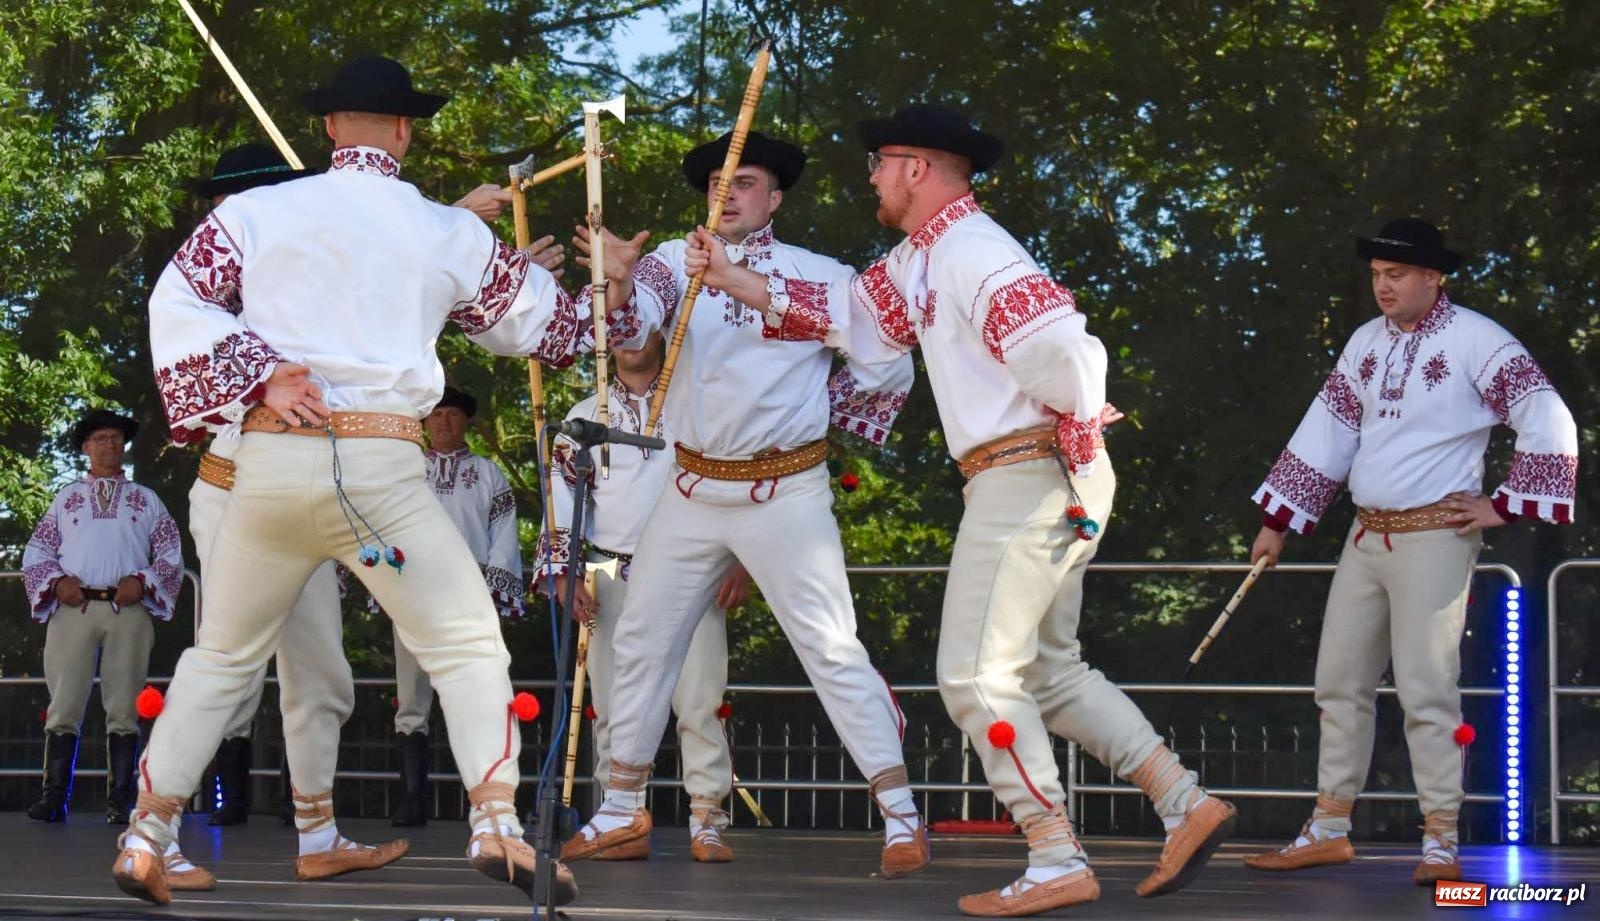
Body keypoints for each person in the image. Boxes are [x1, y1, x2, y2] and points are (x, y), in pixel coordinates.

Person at [124, 55, 585, 906]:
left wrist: (260, 374)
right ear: (405, 129)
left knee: (220, 656)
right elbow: (550, 329)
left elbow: (176, 296)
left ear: (329, 128)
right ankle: (495, 823)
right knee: (465, 641)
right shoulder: (441, 230)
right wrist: (617, 293)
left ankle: (146, 835)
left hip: (264, 464)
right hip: (379, 473)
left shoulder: (260, 212)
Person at [850, 104, 1236, 916]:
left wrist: (1077, 413)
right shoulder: (924, 255)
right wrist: (731, 275)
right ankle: (1183, 800)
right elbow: (845, 312)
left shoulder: (971, 249)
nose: (873, 176)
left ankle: (1054, 851)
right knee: (1046, 671)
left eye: (882, 161)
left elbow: (1063, 348)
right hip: (1036, 472)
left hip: (1026, 471)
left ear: (918, 167)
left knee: (974, 674)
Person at [562, 130, 926, 878]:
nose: (728, 193)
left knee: (831, 646)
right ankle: (619, 808)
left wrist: (825, 393)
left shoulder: (820, 273)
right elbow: (630, 341)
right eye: (719, 182)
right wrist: (621, 285)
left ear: (776, 196)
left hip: (784, 489)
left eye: (747, 181)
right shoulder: (670, 260)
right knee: (640, 643)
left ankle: (901, 816)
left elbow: (883, 354)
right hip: (692, 488)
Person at [1242, 217, 1578, 885]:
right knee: (1338, 683)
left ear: (1433, 275)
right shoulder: (1366, 341)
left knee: (1427, 690)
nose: (1383, 287)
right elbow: (1328, 431)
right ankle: (1329, 827)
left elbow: (1550, 416)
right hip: (1366, 536)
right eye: (1376, 276)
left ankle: (1440, 842)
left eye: (1396, 275)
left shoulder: (1479, 341)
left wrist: (1503, 504)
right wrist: (1277, 519)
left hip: (1435, 539)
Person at [176, 142, 409, 887]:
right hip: (239, 491)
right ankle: (152, 833)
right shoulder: (213, 294)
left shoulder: (302, 274)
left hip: (296, 494)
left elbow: (377, 267)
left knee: (319, 672)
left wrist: (447, 223)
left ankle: (316, 834)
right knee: (229, 675)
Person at [535, 331, 749, 862]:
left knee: (700, 697)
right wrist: (563, 572)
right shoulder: (580, 420)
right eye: (619, 330)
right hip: (609, 569)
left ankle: (707, 818)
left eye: (640, 326)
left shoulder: (698, 407)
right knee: (610, 702)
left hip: (692, 568)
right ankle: (621, 817)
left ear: (661, 331)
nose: (630, 339)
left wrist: (741, 556)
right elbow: (561, 500)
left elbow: (737, 478)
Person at [21, 410, 183, 830]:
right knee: (64, 705)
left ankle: (120, 802)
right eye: (100, 438)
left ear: (123, 446)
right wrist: (57, 583)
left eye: (115, 438)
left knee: (125, 707)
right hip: (74, 609)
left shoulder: (146, 500)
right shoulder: (66, 499)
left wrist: (143, 580)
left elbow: (170, 555)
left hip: (127, 610)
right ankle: (54, 798)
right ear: (85, 448)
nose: (109, 445)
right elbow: (37, 552)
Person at [387, 386, 525, 827]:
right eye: (436, 414)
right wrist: (388, 581)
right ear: (423, 422)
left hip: (470, 597)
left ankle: (488, 801)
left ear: (466, 421)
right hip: (413, 595)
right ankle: (413, 802)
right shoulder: (403, 473)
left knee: (478, 693)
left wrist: (491, 591)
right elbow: (382, 531)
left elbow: (504, 539)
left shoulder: (488, 475)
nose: (444, 421)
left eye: (453, 414)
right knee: (411, 698)